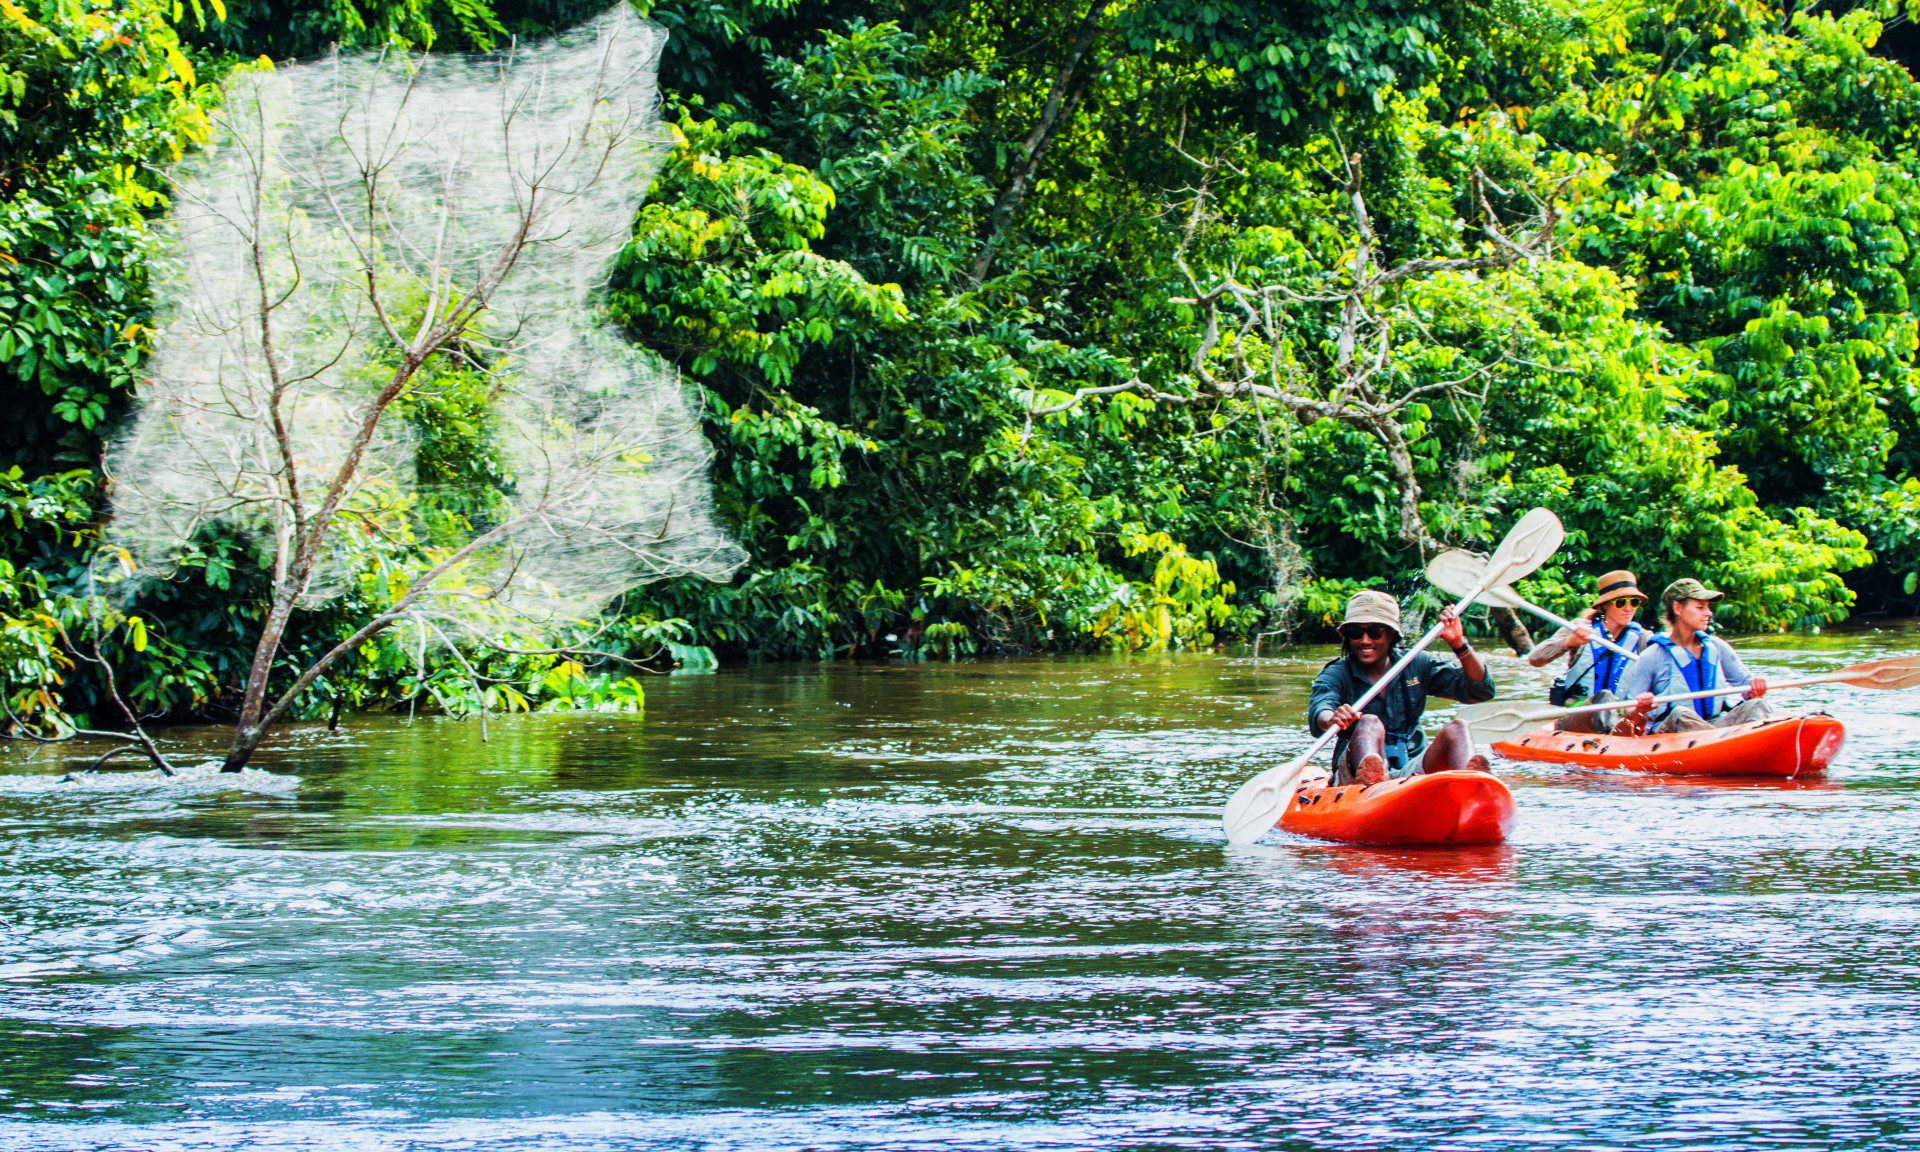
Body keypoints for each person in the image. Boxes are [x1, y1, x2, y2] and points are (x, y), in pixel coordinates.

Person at [1309, 590, 1496, 786]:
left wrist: (1459, 644)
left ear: (1391, 635)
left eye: (1375, 633)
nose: (1365, 641)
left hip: (1412, 766)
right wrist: (1332, 719)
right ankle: (1373, 783)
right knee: (1369, 723)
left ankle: (1474, 786)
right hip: (1355, 772)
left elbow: (1481, 690)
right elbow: (1320, 711)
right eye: (1356, 633)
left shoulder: (1415, 663)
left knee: (1458, 728)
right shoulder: (1337, 672)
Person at [1616, 578, 1770, 734]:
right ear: (1678, 608)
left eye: (1708, 607)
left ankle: (1738, 743)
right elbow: (1628, 710)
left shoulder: (1717, 646)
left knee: (1756, 704)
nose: (1709, 613)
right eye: (1700, 607)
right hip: (1673, 730)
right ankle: (1719, 743)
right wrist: (1640, 707)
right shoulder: (1652, 655)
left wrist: (1754, 688)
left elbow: (1745, 684)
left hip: (1715, 724)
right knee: (1680, 713)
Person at [1525, 569, 1652, 732]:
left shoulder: (1642, 638)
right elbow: (1535, 658)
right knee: (1604, 697)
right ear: (1605, 605)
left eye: (1633, 602)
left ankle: (1618, 731)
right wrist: (1569, 642)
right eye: (1621, 602)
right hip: (1577, 711)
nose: (1628, 609)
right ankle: (1615, 736)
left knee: (1632, 709)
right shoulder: (1581, 628)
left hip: (1620, 714)